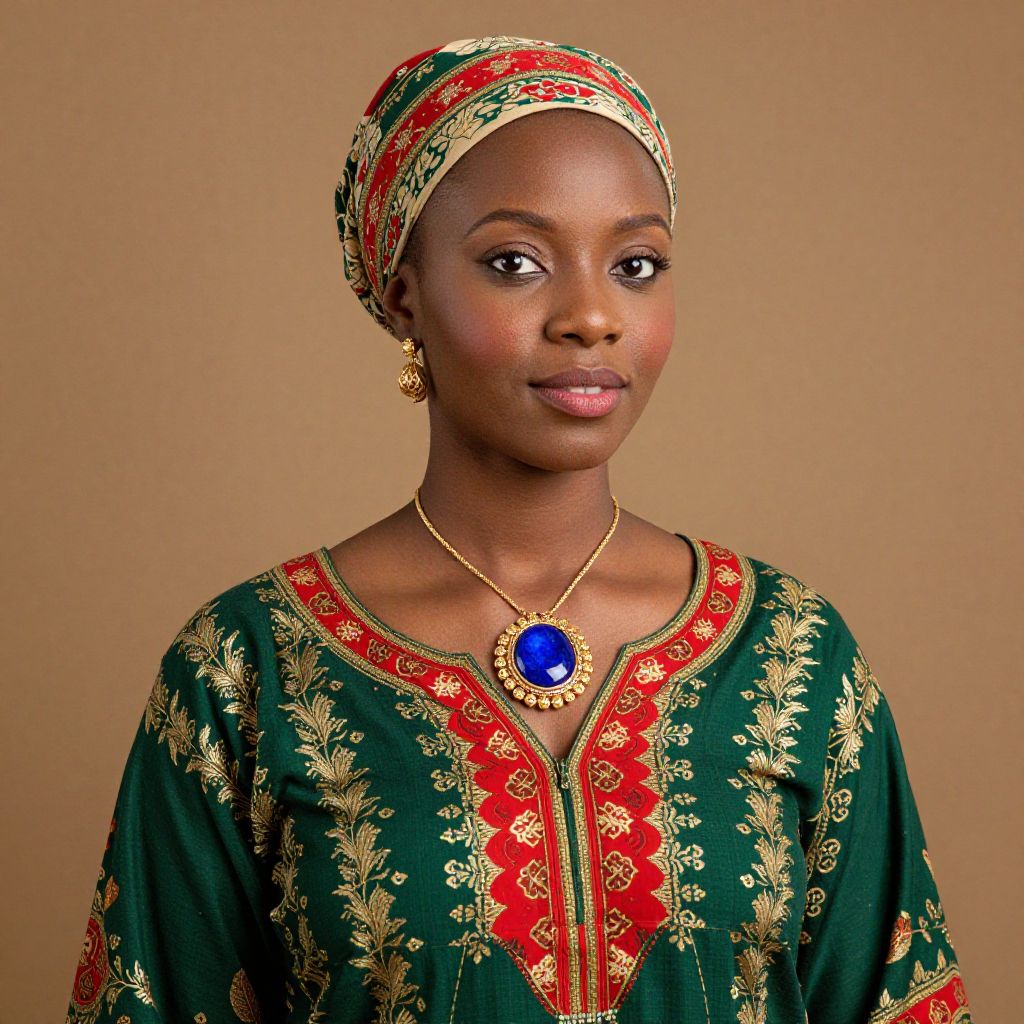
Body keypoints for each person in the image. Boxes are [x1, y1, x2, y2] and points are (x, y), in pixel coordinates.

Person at [65, 36, 972, 1024]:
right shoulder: (248, 671)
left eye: (636, 263)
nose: (591, 314)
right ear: (406, 296)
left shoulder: (793, 654)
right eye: (515, 262)